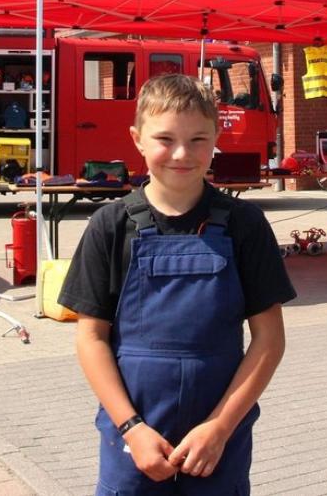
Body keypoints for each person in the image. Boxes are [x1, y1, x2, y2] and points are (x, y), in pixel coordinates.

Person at [59, 74, 296, 493]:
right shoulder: (111, 226)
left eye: (199, 139)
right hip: (134, 436)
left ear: (217, 136)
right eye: (165, 139)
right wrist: (131, 428)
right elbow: (90, 339)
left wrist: (220, 427)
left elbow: (269, 339)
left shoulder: (244, 225)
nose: (182, 154)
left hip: (219, 440)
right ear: (137, 138)